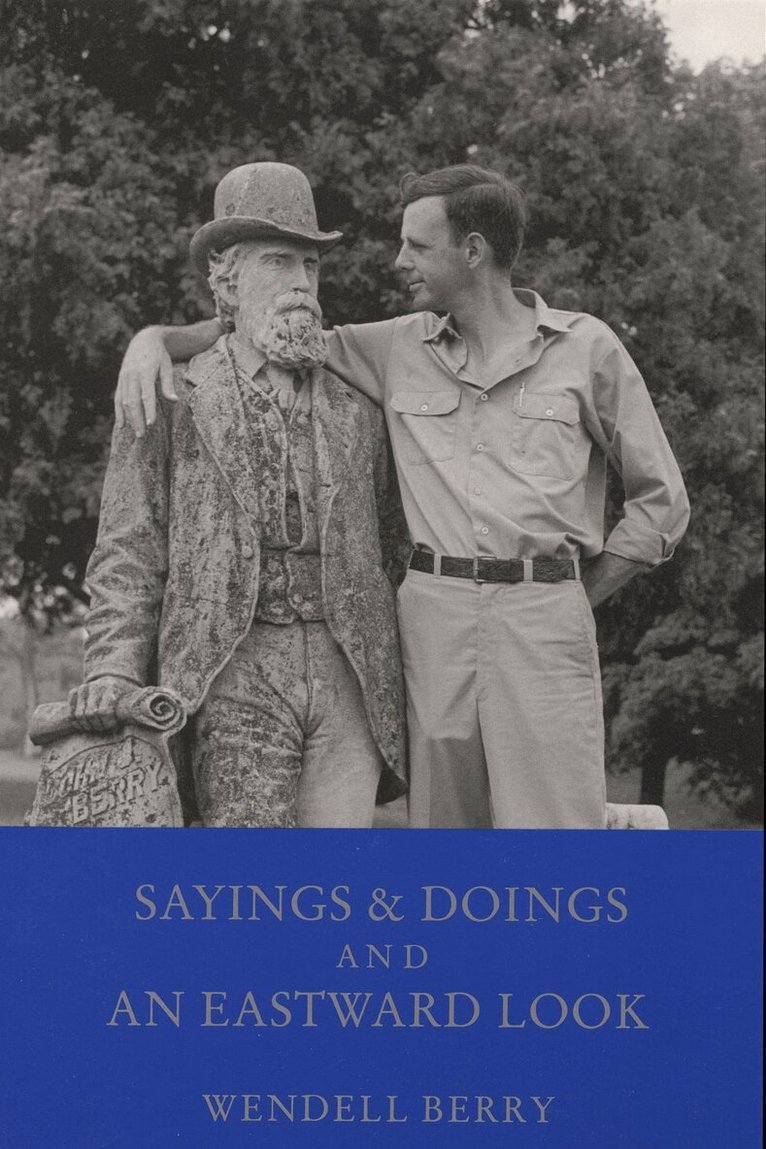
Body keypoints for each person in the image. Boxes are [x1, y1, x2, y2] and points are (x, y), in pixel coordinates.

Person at [115, 163, 690, 830]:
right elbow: (265, 328)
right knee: (442, 838)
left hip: (544, 614)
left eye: (417, 245)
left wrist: (574, 595)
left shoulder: (587, 349)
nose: (399, 261)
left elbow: (661, 502)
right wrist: (154, 341)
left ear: (471, 250)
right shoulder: (396, 347)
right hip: (433, 622)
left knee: (553, 838)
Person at [69, 161, 407, 827]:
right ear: (227, 279)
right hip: (229, 669)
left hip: (350, 677)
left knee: (335, 875)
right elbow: (128, 550)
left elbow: (393, 543)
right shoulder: (171, 393)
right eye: (279, 261)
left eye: (310, 265)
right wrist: (112, 669)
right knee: (244, 871)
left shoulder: (361, 406)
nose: (301, 283)